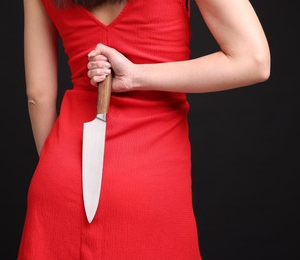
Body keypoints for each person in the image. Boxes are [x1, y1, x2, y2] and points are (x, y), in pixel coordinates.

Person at [18, 0, 270, 259]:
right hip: (151, 185)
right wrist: (137, 76)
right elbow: (254, 60)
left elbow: (37, 96)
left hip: (63, 179)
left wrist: (61, 167)